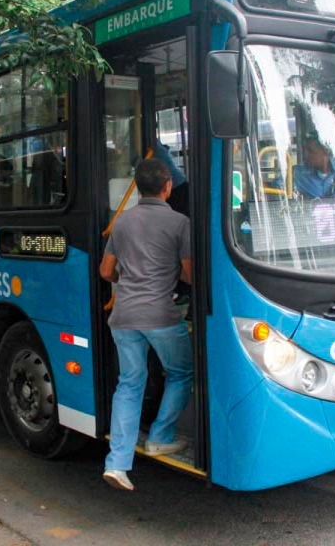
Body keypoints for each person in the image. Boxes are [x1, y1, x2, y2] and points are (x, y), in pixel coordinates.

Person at [99, 158, 194, 491]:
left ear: (138, 188)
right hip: (160, 316)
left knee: (129, 383)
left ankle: (117, 463)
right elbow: (189, 273)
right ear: (167, 186)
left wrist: (131, 277)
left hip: (123, 316)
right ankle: (160, 436)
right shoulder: (180, 222)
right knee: (182, 372)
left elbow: (106, 271)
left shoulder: (122, 222)